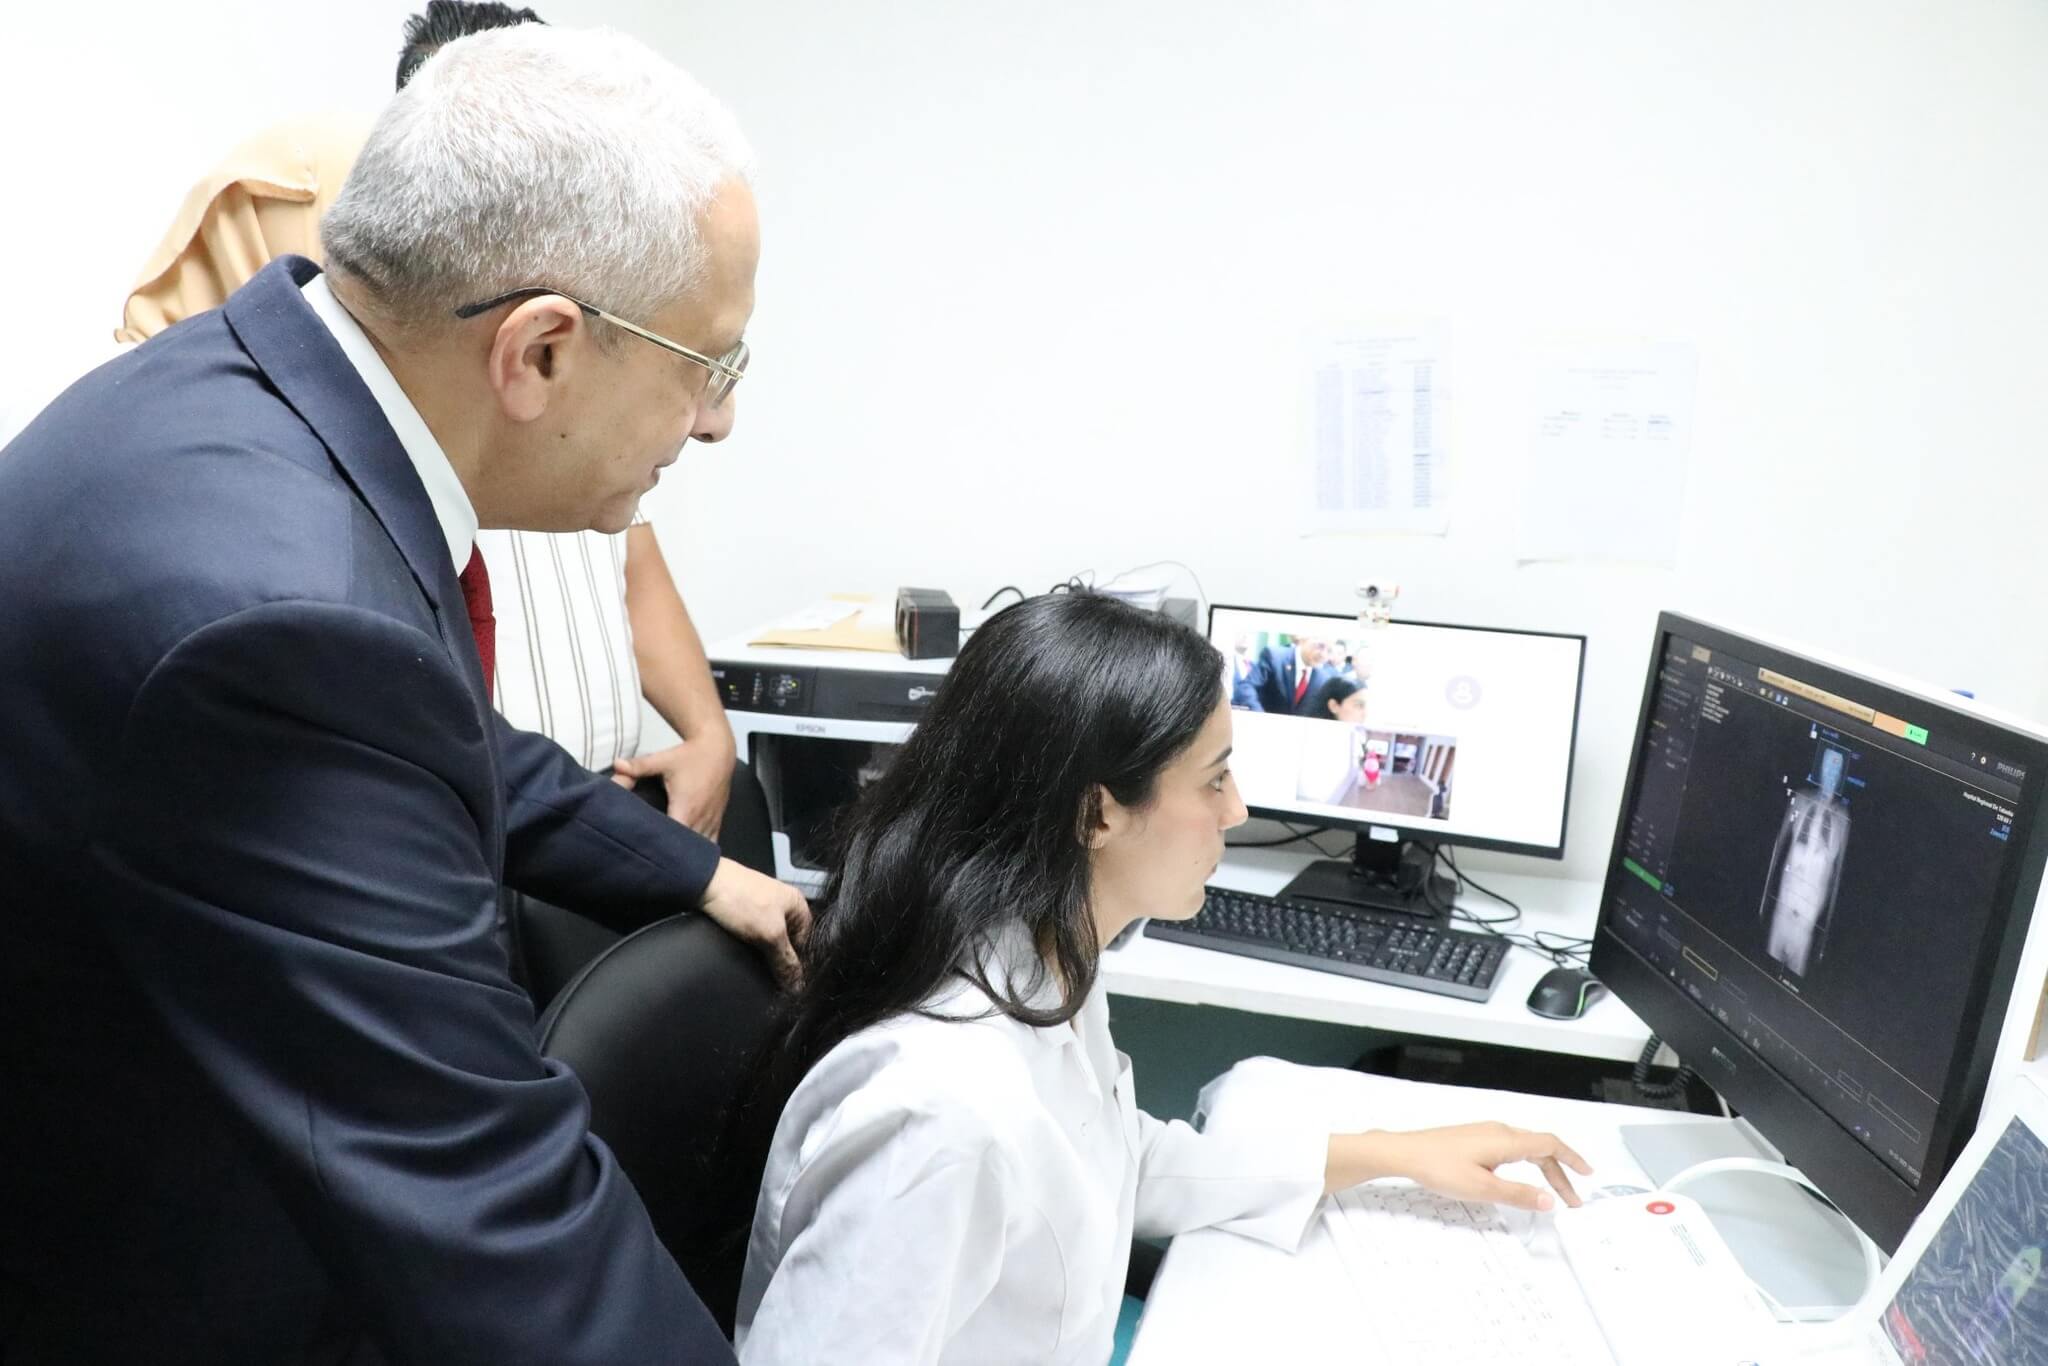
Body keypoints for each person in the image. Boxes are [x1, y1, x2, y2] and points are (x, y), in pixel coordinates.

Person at [0, 27, 801, 1365]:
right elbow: (503, 1216)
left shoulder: (255, 398)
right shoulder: (283, 617)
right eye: (705, 365)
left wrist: (696, 871)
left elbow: (442, 730)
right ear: (539, 353)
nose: (713, 422)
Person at [735, 593, 1590, 1364]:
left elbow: (1111, 1164)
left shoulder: (1045, 956)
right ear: (1095, 813)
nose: (1238, 810)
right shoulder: (940, 1117)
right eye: (1215, 779)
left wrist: (1389, 1156)